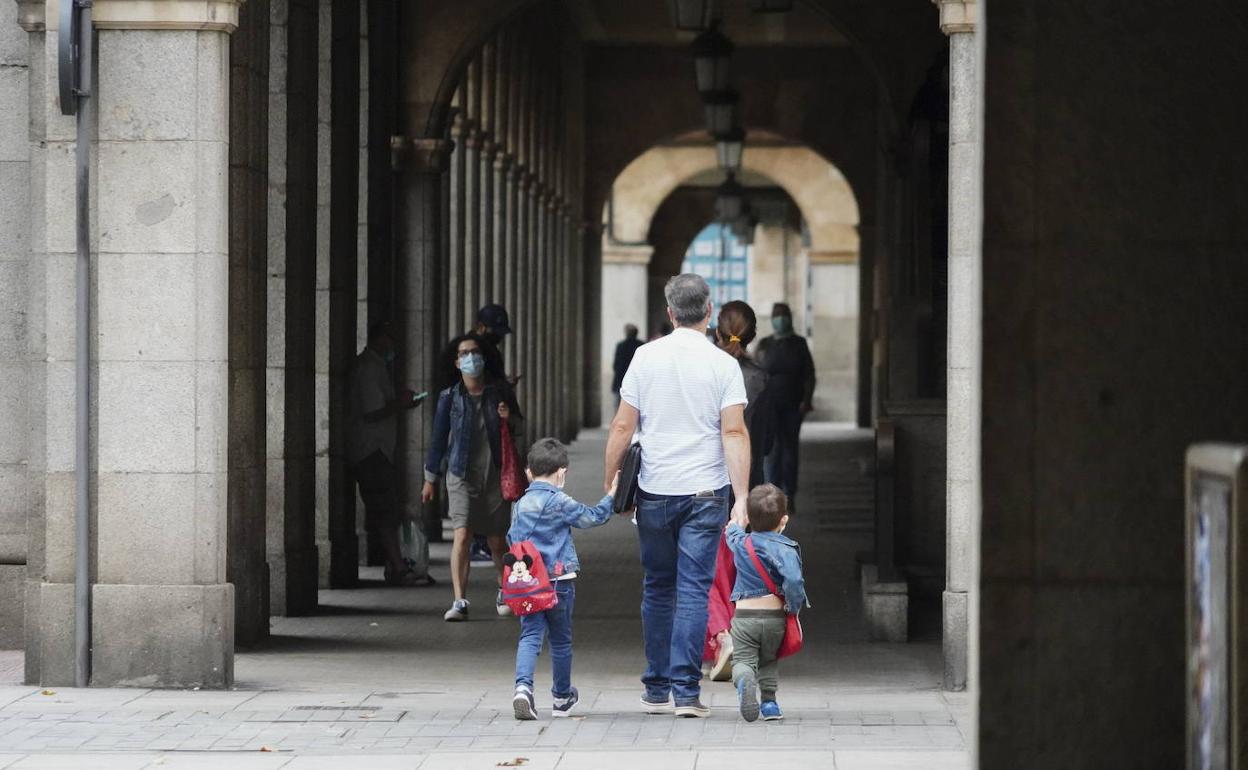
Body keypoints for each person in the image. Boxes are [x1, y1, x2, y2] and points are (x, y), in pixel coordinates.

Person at [604, 273, 751, 718]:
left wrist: (611, 479)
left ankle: (655, 688)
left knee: (657, 586)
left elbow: (623, 425)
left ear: (669, 313)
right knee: (693, 590)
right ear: (709, 312)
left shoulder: (644, 357)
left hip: (655, 490)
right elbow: (734, 432)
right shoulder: (724, 365)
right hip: (706, 492)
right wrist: (741, 497)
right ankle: (686, 693)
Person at [509, 438, 620, 720]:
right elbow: (592, 517)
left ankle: (523, 688)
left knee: (530, 636)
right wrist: (612, 495)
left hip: (529, 583)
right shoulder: (560, 501)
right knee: (560, 640)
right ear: (562, 472)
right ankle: (561, 697)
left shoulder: (519, 505)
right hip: (559, 580)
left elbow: (513, 539)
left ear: (528, 472)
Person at [422, 333, 525, 621]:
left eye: (475, 352)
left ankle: (504, 590)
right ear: (457, 362)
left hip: (495, 475)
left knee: (497, 542)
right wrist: (430, 478)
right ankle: (459, 601)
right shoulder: (449, 398)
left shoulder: (499, 392)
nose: (471, 358)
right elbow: (438, 439)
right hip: (460, 475)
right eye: (464, 354)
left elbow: (519, 428)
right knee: (462, 534)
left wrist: (508, 417)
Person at [705, 300, 775, 682]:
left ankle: (720, 637)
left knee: (707, 565)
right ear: (753, 335)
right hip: (750, 480)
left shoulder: (707, 370)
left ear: (718, 331)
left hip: (708, 479)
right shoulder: (761, 377)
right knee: (744, 565)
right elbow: (768, 439)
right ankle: (746, 642)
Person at [347, 321, 434, 586]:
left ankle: (396, 564)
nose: (394, 345)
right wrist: (401, 403)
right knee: (384, 510)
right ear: (381, 339)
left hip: (377, 449)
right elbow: (372, 412)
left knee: (386, 508)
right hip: (371, 450)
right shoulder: (369, 368)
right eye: (391, 339)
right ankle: (398, 567)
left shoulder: (375, 366)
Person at [724, 484, 807, 722]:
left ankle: (745, 680)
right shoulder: (786, 549)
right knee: (769, 659)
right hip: (774, 619)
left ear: (749, 519)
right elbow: (794, 581)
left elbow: (732, 533)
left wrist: (736, 522)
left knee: (743, 660)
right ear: (784, 520)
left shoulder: (742, 543)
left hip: (744, 618)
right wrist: (793, 606)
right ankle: (770, 704)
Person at [756, 303, 816, 500]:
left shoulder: (799, 344)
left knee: (790, 449)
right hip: (769, 406)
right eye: (777, 315)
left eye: (783, 314)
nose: (780, 318)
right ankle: (773, 491)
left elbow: (809, 375)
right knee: (772, 449)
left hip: (793, 404)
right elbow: (756, 372)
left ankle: (790, 492)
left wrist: (806, 400)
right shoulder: (765, 344)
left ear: (789, 318)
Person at [611, 324, 644, 408]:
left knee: (619, 408)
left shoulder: (621, 346)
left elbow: (615, 365)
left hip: (620, 381)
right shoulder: (642, 345)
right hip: (637, 383)